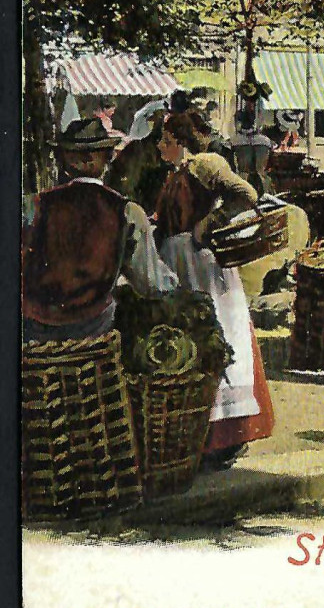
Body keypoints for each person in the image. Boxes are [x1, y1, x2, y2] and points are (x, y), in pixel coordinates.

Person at [153, 109, 275, 467]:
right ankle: (201, 434)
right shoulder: (176, 173)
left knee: (219, 335)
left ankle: (227, 437)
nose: (161, 147)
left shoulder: (205, 164)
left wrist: (211, 222)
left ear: (183, 143)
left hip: (202, 265)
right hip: (178, 263)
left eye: (167, 141)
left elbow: (246, 193)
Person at [23, 118, 178, 342]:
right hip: (93, 328)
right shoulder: (127, 211)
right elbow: (151, 283)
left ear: (65, 160)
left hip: (32, 328)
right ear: (107, 157)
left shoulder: (33, 205)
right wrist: (175, 285)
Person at [231, 109, 276, 195]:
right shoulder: (265, 141)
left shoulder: (235, 141)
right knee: (261, 174)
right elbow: (271, 161)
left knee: (243, 174)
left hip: (244, 178)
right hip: (261, 176)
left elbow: (231, 163)